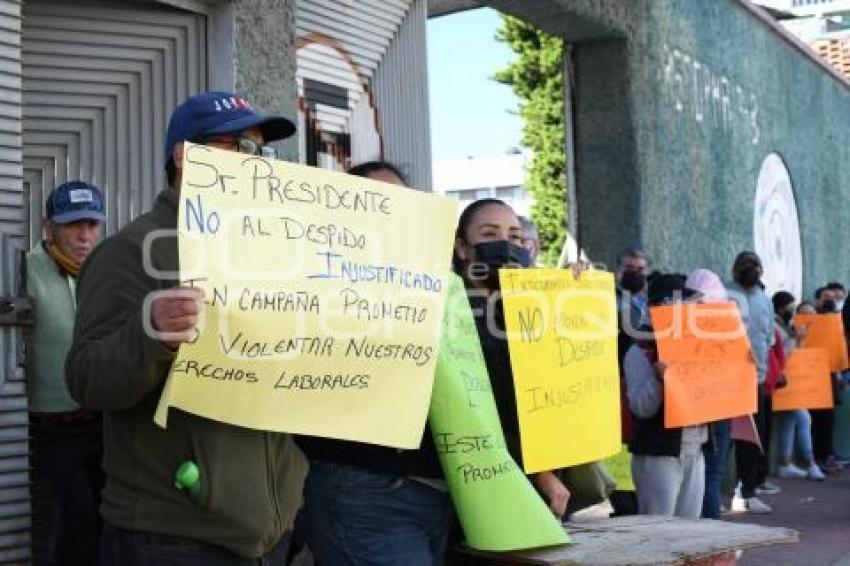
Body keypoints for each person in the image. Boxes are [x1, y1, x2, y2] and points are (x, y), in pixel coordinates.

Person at [65, 91, 307, 565]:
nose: (256, 163)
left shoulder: (275, 247)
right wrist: (149, 333)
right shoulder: (128, 251)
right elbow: (86, 380)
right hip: (171, 536)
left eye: (263, 151)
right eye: (239, 146)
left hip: (272, 532)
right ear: (184, 155)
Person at [295, 161, 452, 566]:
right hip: (364, 489)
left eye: (400, 203)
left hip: (434, 495)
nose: (388, 212)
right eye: (374, 202)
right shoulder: (309, 280)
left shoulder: (433, 280)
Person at [452, 198, 570, 519]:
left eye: (516, 237)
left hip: (534, 480)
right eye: (490, 234)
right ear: (462, 248)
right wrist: (542, 475)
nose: (506, 244)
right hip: (479, 483)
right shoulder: (450, 311)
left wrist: (573, 290)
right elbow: (486, 406)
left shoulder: (521, 306)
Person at [27, 181, 105, 565]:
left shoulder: (106, 272)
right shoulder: (24, 270)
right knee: (74, 521)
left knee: (106, 520)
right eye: (73, 225)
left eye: (92, 224)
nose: (84, 235)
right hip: (53, 426)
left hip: (104, 421)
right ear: (48, 226)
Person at [625, 274, 708, 518]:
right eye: (681, 303)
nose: (689, 310)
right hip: (659, 453)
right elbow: (641, 408)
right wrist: (661, 381)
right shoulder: (640, 350)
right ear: (660, 307)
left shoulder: (695, 343)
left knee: (689, 530)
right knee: (658, 532)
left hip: (696, 446)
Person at [727, 251, 775, 514]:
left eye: (756, 264)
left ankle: (748, 491)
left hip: (753, 380)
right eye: (745, 265)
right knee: (723, 439)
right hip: (724, 380)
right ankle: (713, 491)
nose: (751, 269)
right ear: (735, 269)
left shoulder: (765, 300)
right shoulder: (724, 294)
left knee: (751, 438)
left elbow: (767, 339)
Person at [772, 292, 825, 481]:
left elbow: (798, 355)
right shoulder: (775, 327)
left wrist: (799, 339)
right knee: (804, 418)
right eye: (791, 308)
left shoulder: (788, 326)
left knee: (790, 421)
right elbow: (783, 356)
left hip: (792, 383)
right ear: (780, 307)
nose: (792, 312)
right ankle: (811, 463)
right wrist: (795, 339)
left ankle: (784, 464)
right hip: (781, 382)